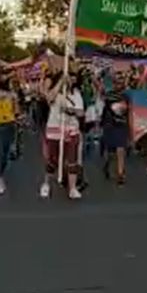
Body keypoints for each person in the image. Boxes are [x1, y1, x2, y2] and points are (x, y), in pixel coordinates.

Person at [41, 72, 84, 200]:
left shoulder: (76, 94)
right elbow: (49, 99)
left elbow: (81, 113)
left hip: (71, 130)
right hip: (55, 130)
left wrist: (72, 111)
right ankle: (46, 184)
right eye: (67, 78)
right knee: (52, 160)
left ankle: (72, 188)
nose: (69, 81)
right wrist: (60, 83)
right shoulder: (56, 93)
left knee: (72, 160)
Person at [101, 71, 131, 184]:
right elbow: (105, 109)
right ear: (114, 83)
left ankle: (120, 173)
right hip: (110, 125)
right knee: (111, 152)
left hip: (121, 125)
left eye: (121, 83)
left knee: (120, 149)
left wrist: (131, 128)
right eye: (117, 82)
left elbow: (130, 112)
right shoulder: (109, 95)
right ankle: (107, 165)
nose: (119, 85)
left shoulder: (127, 96)